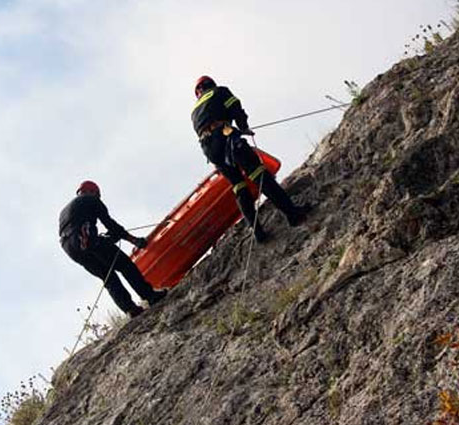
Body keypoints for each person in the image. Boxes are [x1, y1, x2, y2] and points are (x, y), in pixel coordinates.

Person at [191, 75, 310, 242]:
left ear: (198, 92)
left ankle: (258, 232)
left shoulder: (194, 111)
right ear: (211, 84)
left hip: (210, 150)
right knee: (258, 174)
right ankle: (292, 214)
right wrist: (243, 126)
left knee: (238, 186)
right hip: (226, 136)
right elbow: (235, 107)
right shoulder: (220, 91)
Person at [59, 180, 166, 317]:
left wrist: (107, 238)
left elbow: (76, 227)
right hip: (84, 239)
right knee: (125, 265)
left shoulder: (66, 211)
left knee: (108, 277)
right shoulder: (90, 200)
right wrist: (134, 240)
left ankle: (130, 309)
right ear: (92, 192)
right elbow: (110, 224)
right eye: (97, 195)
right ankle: (150, 295)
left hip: (70, 248)